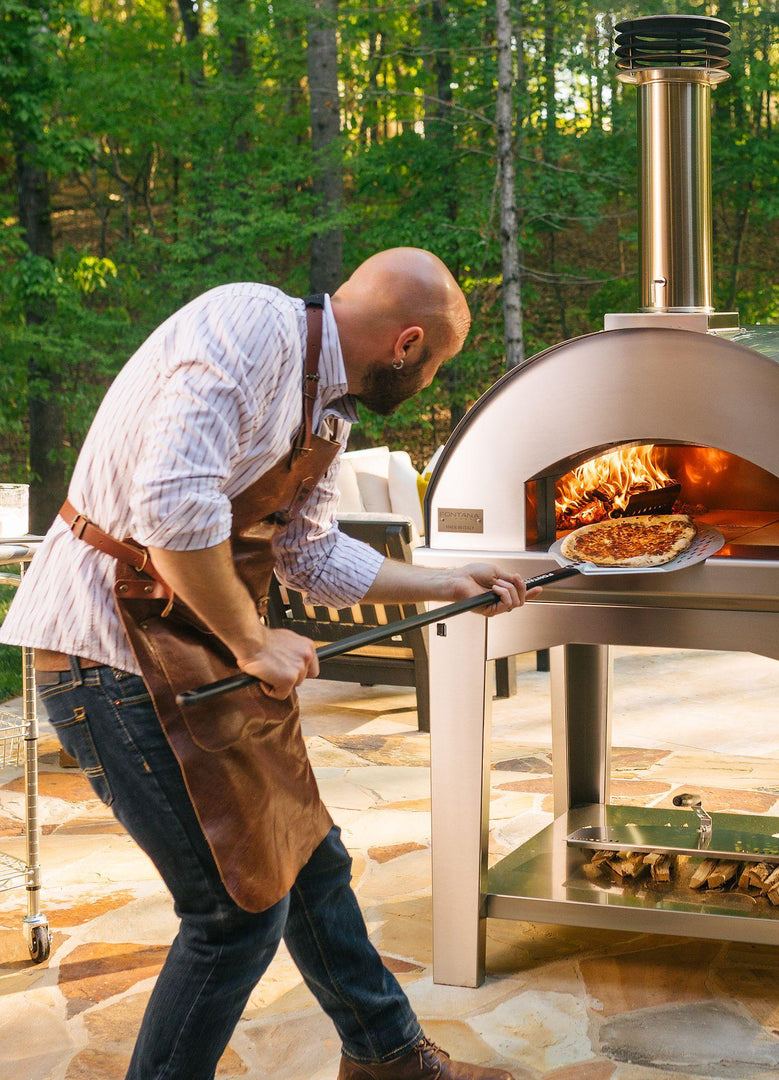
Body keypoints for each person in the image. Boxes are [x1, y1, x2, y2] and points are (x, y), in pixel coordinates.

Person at [0, 248, 536, 1080]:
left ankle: (388, 1058)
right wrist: (253, 642)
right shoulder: (251, 324)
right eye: (436, 364)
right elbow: (172, 509)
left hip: (198, 650)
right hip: (106, 656)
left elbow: (309, 557)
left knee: (310, 856)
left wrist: (444, 583)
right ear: (407, 344)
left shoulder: (329, 412)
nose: (429, 380)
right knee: (232, 916)